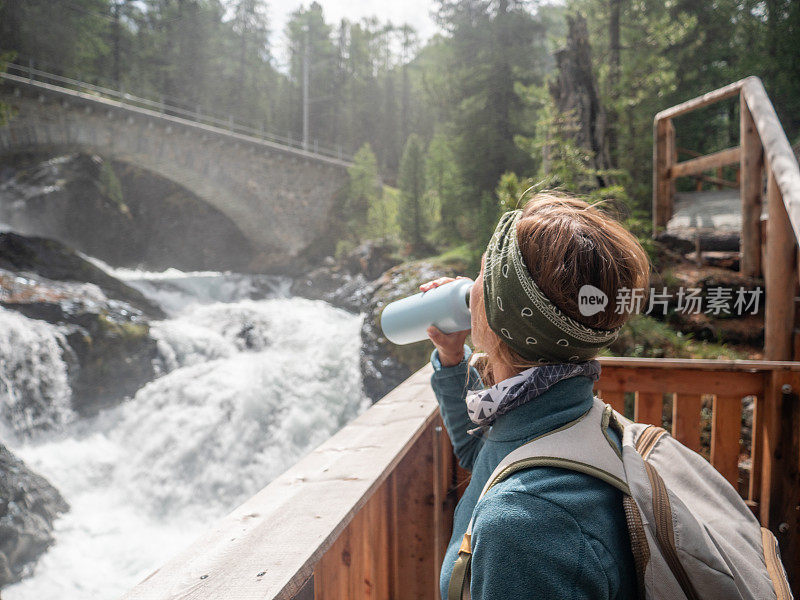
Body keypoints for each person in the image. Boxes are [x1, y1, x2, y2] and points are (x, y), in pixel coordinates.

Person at [424, 192, 650, 600]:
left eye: (481, 273)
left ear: (498, 315)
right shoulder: (576, 419)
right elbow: (484, 454)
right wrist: (452, 357)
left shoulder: (524, 525)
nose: (468, 286)